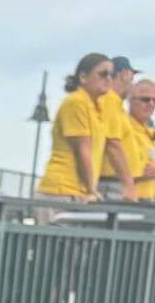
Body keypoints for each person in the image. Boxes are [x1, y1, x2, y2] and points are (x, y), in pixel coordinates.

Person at [39, 53, 117, 201]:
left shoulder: (96, 106)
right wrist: (91, 190)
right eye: (103, 74)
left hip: (76, 191)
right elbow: (83, 150)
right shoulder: (76, 102)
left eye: (111, 75)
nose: (108, 79)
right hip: (60, 191)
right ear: (83, 77)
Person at [99, 56, 140, 200]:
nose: (133, 83)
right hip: (112, 184)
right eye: (132, 76)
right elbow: (113, 145)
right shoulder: (110, 100)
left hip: (115, 183)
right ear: (124, 74)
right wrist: (129, 185)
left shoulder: (114, 102)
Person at [129, 77, 155, 201]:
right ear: (131, 100)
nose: (151, 104)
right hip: (131, 203)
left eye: (154, 100)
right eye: (145, 99)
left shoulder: (151, 133)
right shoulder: (123, 128)